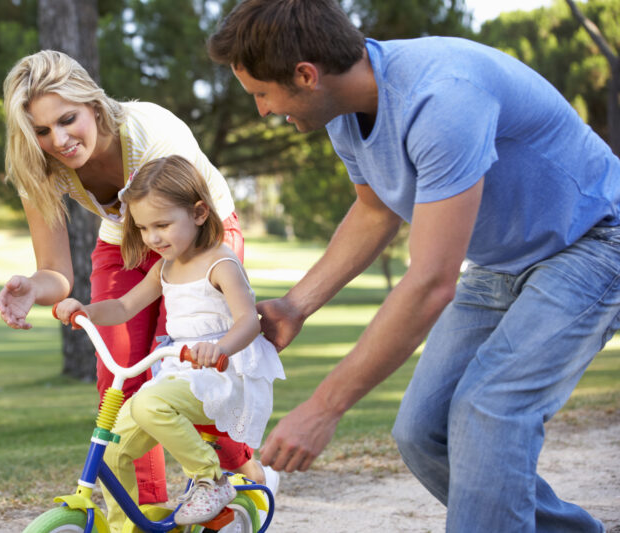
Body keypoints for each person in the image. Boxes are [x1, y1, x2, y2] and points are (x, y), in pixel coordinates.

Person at [207, 1, 620, 532]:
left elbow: (429, 283)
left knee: (489, 413)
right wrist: (296, 304)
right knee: (421, 431)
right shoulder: (340, 111)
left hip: (593, 242)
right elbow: (375, 209)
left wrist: (324, 406)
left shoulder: (442, 98)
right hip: (503, 261)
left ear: (306, 75)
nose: (263, 110)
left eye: (262, 94)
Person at [0, 50, 271, 505]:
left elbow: (190, 226)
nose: (59, 139)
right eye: (42, 130)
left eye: (68, 119)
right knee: (118, 383)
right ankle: (145, 509)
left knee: (183, 372)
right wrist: (32, 289)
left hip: (199, 236)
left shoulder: (150, 132)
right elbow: (55, 273)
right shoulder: (38, 165)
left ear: (94, 104)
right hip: (122, 240)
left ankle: (243, 475)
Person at [53, 155, 285, 531]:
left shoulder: (220, 263)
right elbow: (125, 305)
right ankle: (129, 526)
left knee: (147, 401)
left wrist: (221, 348)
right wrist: (88, 311)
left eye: (162, 225)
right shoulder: (164, 267)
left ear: (198, 213)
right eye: (144, 228)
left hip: (223, 377)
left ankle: (211, 480)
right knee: (112, 450)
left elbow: (249, 322)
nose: (153, 238)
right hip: (179, 373)